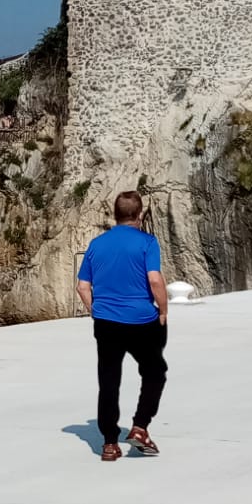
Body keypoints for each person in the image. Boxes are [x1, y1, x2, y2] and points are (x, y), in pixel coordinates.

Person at [76, 190, 168, 462]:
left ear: (115, 215)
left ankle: (108, 444)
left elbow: (82, 287)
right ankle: (140, 427)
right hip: (142, 320)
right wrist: (163, 310)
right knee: (154, 372)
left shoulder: (96, 244)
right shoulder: (147, 242)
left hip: (106, 323)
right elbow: (154, 280)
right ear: (139, 215)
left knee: (109, 381)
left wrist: (97, 311)